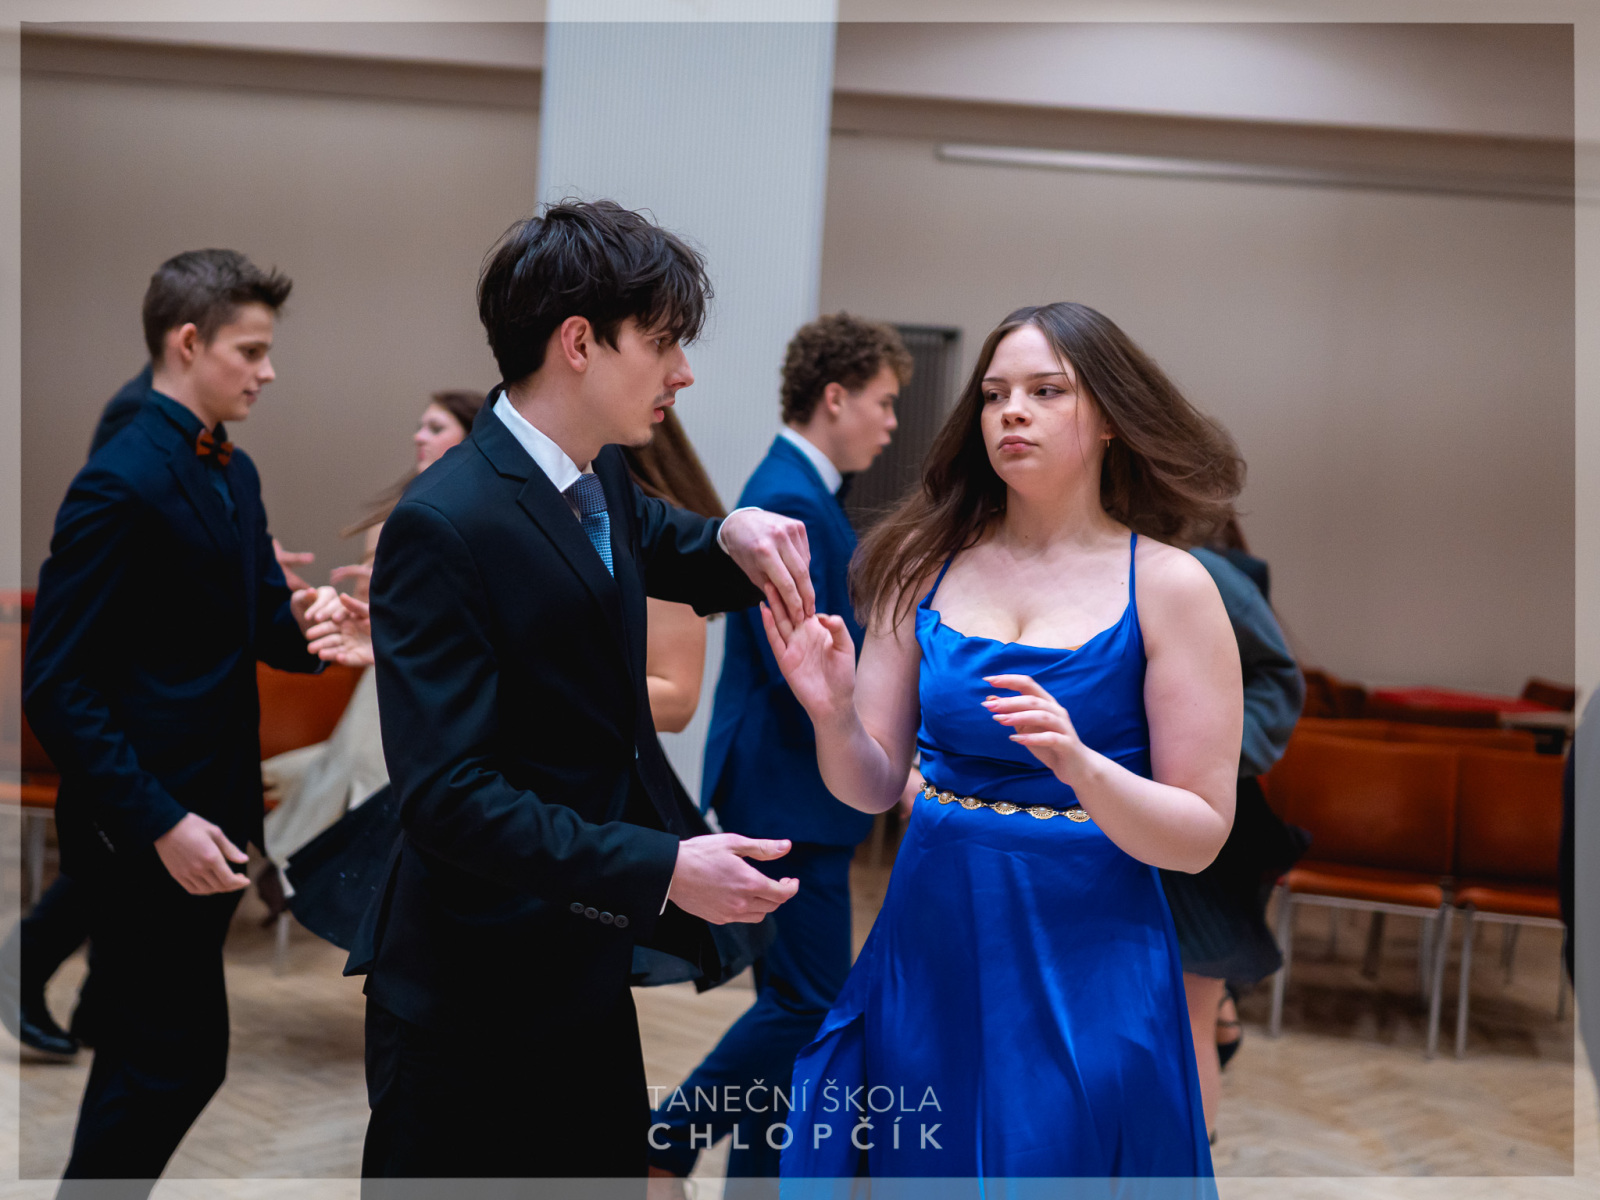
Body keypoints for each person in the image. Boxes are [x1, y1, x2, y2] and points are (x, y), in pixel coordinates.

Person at [357, 199, 821, 1186]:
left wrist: (731, 533)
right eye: (662, 343)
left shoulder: (594, 474)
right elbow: (448, 798)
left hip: (579, 965)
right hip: (467, 992)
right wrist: (663, 867)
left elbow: (659, 540)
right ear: (578, 343)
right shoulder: (445, 523)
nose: (682, 372)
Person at [762, 301, 1243, 1188]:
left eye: (1045, 391)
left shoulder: (1172, 586)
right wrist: (831, 714)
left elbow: (1201, 833)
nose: (1011, 412)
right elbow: (871, 785)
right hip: (934, 934)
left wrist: (1084, 767)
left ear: (1109, 419)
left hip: (1089, 948)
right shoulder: (922, 563)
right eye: (994, 395)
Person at [22, 249, 337, 1196]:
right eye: (252, 351)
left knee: (149, 1063)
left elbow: (262, 626)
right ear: (188, 341)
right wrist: (159, 821)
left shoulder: (234, 472)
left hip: (211, 817)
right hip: (145, 831)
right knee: (170, 1063)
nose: (268, 372)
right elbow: (58, 684)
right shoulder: (119, 481)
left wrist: (325, 629)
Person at [648, 313, 910, 1184]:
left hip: (786, 783)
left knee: (792, 1008)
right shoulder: (792, 497)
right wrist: (889, 756)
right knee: (810, 1002)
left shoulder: (803, 490)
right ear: (834, 397)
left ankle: (753, 1184)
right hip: (790, 786)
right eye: (882, 402)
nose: (891, 422)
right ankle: (664, 1142)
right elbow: (801, 671)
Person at [259, 390, 484, 878]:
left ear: (470, 436)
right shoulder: (394, 515)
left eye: (435, 427)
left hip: (447, 676)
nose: (418, 437)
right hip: (391, 667)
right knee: (365, 779)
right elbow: (368, 604)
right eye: (420, 426)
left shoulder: (487, 512)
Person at [1161, 521, 1307, 1141]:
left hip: (1195, 823)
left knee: (1186, 1005)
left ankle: (1185, 1164)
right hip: (1109, 818)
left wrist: (1206, 758)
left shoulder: (1200, 571)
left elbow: (1279, 683)